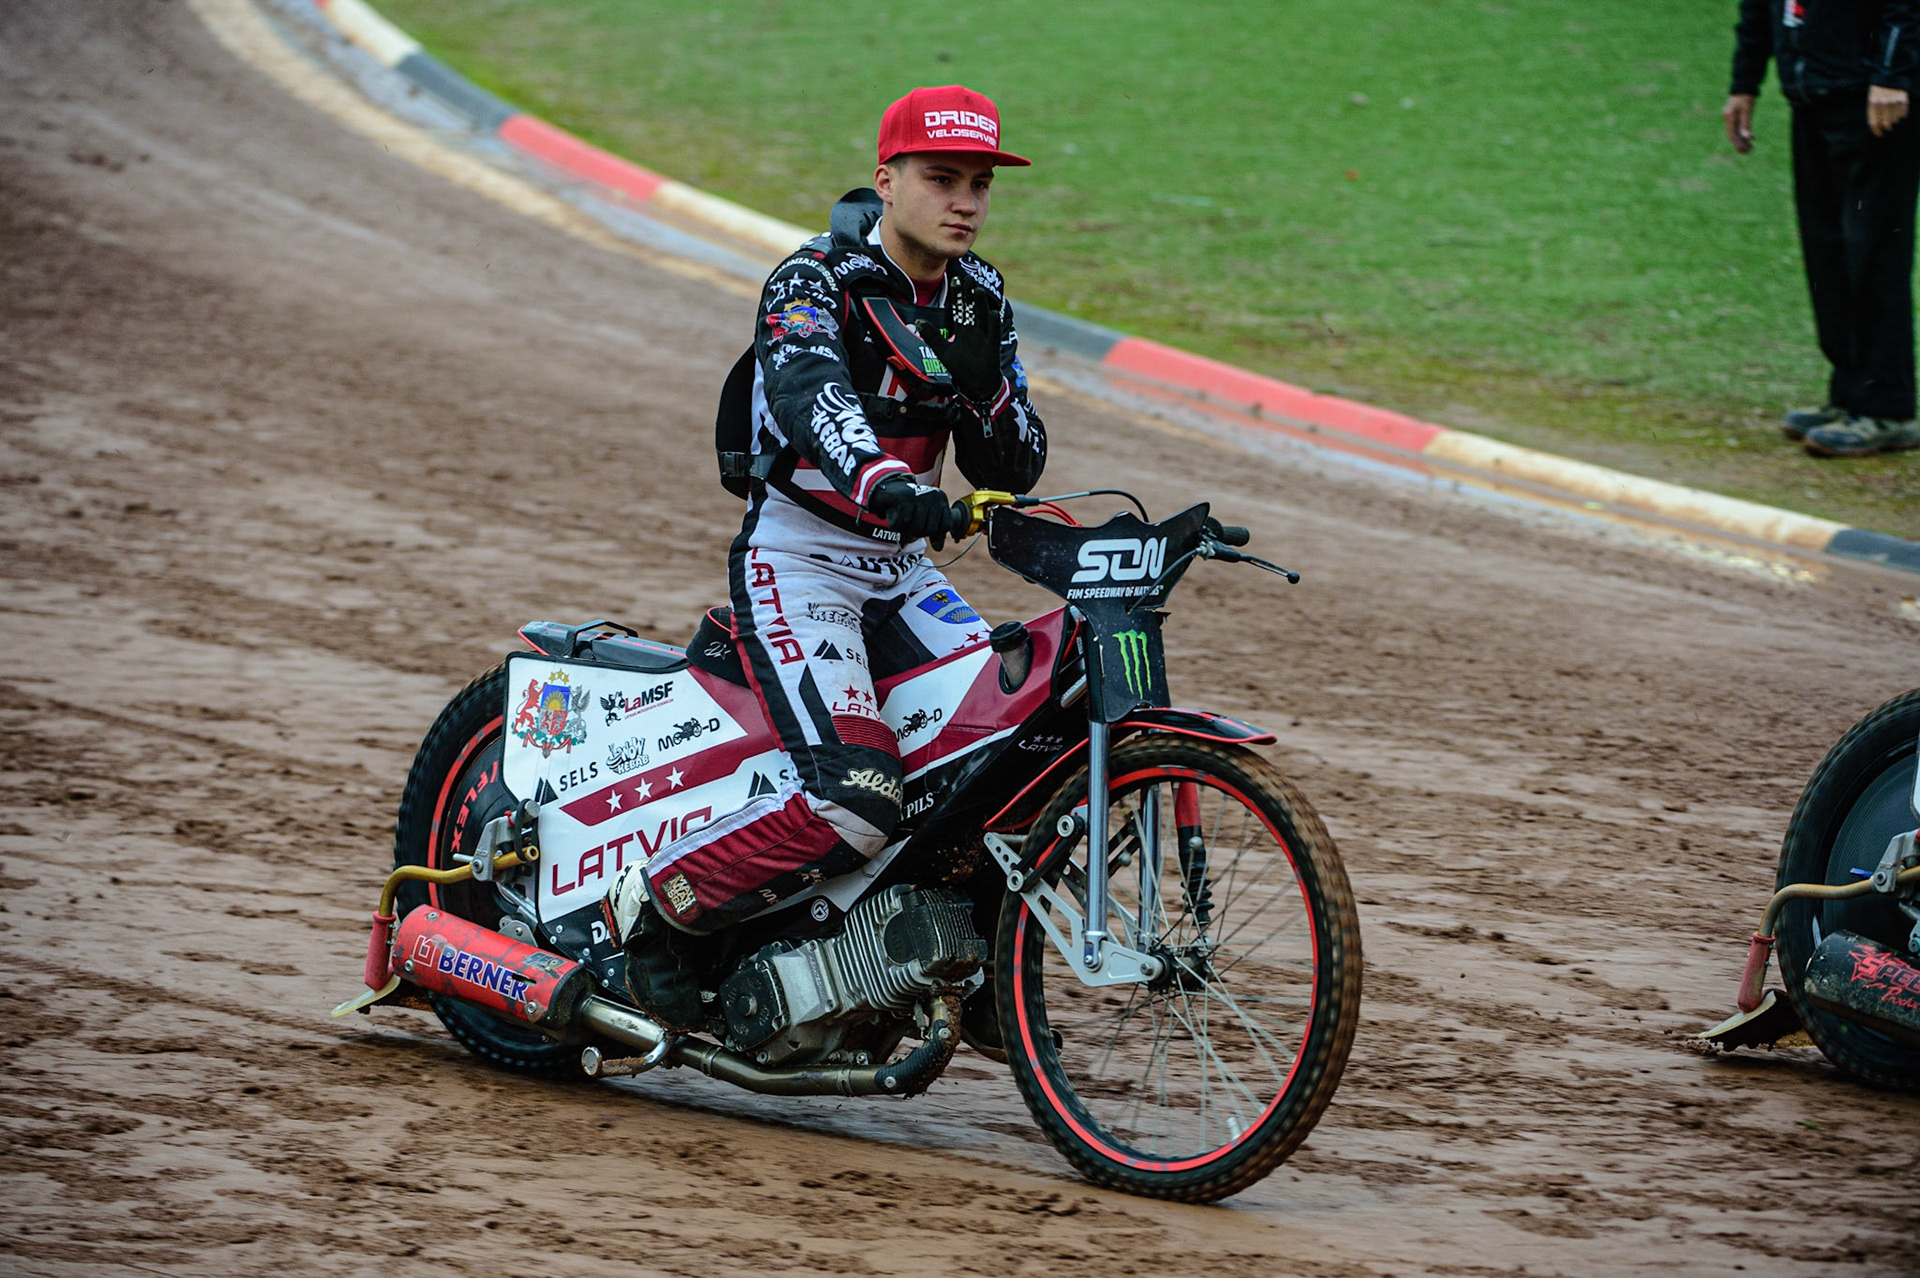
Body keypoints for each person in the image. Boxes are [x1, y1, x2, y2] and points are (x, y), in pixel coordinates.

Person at [606, 85, 1047, 1029]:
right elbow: (813, 399)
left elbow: (1017, 460)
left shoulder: (980, 294)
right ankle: (654, 915)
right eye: (941, 179)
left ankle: (951, 966)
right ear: (887, 180)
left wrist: (987, 400)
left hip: (903, 569)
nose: (964, 201)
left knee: (996, 757)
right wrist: (893, 487)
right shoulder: (810, 278)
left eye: (978, 183)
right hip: (799, 559)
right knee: (859, 800)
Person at [1727, 0, 1920, 457]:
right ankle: (1850, 395)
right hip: (1812, 95)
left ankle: (1888, 409)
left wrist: (1892, 74)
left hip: (1876, 100)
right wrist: (1744, 83)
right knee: (1827, 254)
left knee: (1873, 252)